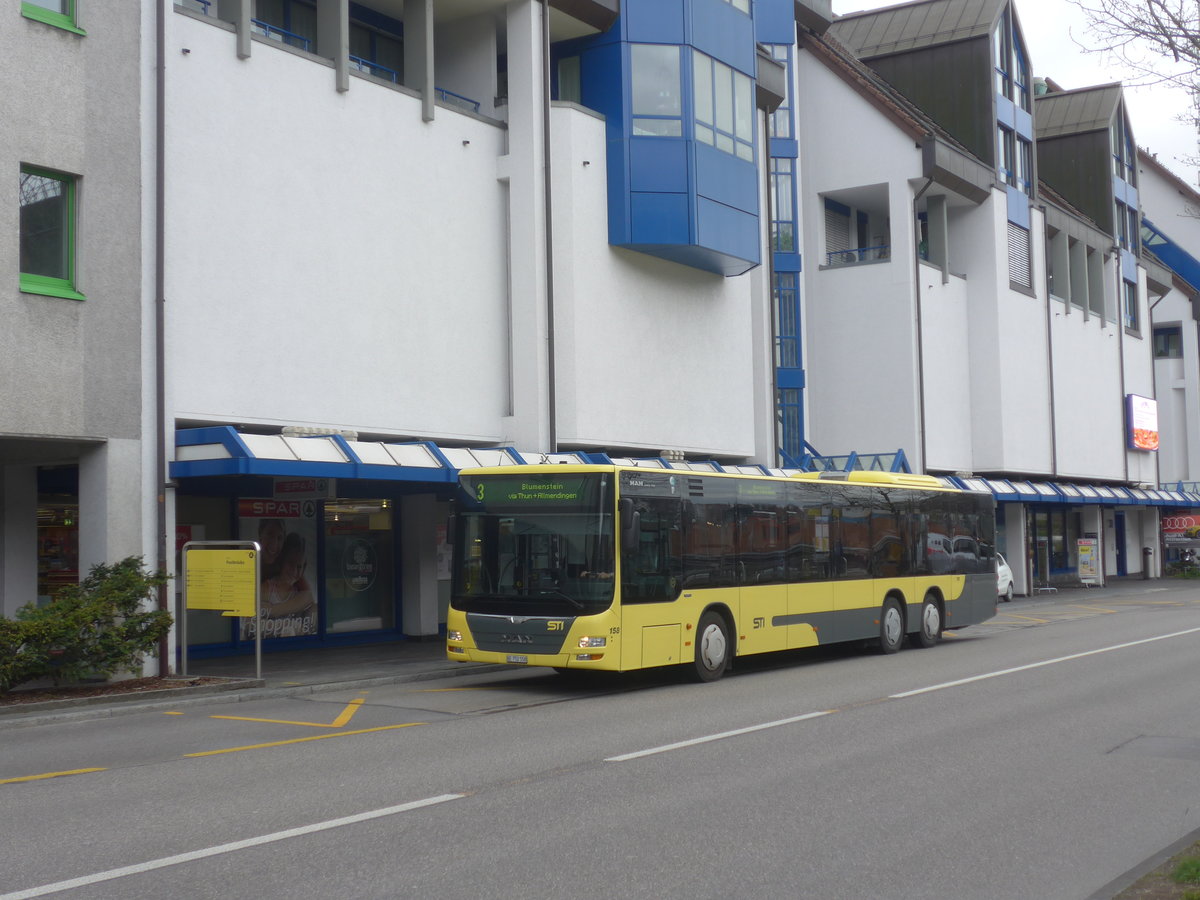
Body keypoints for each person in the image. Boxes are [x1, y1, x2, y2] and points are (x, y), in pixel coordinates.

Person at [258, 532, 316, 637]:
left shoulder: (298, 591)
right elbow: (251, 621)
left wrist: (271, 610)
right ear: (281, 561)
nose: (294, 571)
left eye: (299, 567)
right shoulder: (267, 588)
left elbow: (309, 599)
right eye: (290, 563)